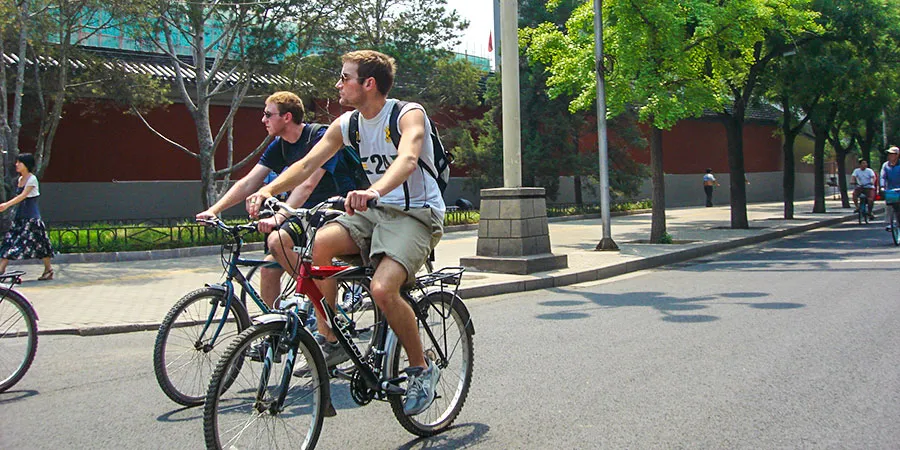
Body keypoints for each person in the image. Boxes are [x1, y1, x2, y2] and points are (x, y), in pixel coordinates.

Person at [246, 50, 444, 416]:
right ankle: (331, 337)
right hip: (374, 212)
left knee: (382, 289)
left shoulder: (407, 113)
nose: (338, 84)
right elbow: (307, 163)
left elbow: (408, 158)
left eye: (345, 78)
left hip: (416, 214)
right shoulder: (347, 124)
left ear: (368, 83)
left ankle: (421, 368)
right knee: (315, 247)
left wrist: (374, 190)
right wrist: (269, 191)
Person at [196, 91, 356, 307]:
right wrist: (214, 210)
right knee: (268, 268)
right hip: (302, 214)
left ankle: (321, 305)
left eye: (268, 114)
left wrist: (279, 217)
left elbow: (307, 185)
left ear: (287, 117)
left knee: (276, 241)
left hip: (332, 212)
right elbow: (249, 181)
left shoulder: (319, 137)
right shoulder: (280, 145)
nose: (263, 120)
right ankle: (273, 330)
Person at [0, 153, 54, 280]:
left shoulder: (32, 179)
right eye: (17, 162)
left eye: (20, 162)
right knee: (10, 242)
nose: (17, 165)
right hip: (20, 218)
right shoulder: (20, 179)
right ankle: (1, 269)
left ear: (27, 165)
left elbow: (23, 196)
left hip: (32, 219)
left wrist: (6, 204)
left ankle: (48, 269)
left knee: (41, 245)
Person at [880, 146, 900, 231]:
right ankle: (889, 224)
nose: (890, 156)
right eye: (889, 154)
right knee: (889, 207)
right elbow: (882, 177)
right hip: (891, 190)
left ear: (897, 155)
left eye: (892, 154)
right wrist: (882, 186)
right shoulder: (885, 165)